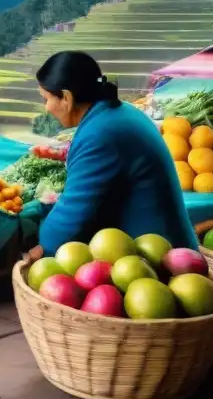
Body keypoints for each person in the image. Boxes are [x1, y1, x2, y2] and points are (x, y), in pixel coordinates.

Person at [35, 51, 198, 254]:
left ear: (66, 98)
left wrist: (42, 245)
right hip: (164, 248)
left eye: (46, 98)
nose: (46, 108)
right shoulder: (119, 112)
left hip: (158, 260)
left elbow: (70, 218)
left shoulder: (101, 133)